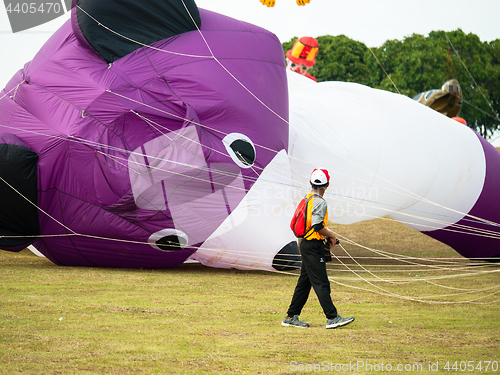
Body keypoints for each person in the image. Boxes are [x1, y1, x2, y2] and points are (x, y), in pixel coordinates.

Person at [282, 168, 355, 329]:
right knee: (321, 282)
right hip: (312, 246)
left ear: (310, 183)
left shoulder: (307, 198)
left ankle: (291, 316)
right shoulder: (320, 202)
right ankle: (332, 317)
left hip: (305, 244)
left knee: (305, 283)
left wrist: (327, 235)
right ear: (327, 184)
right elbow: (317, 225)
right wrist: (332, 235)